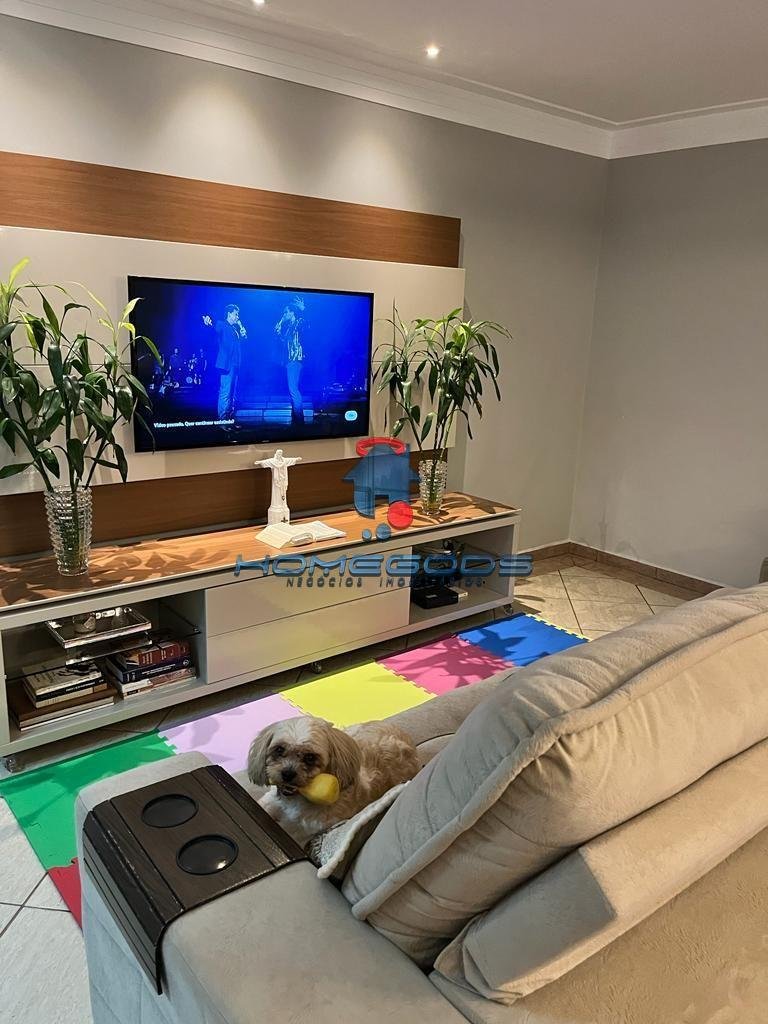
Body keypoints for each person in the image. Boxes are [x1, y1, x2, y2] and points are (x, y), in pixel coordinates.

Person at [203, 304, 247, 420]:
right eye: (236, 314)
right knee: (225, 393)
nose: (238, 317)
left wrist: (243, 334)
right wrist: (207, 323)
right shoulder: (221, 324)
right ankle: (223, 421)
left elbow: (238, 345)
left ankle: (230, 419)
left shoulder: (235, 329)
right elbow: (212, 328)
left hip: (235, 365)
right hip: (227, 364)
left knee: (232, 393)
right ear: (229, 314)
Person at [274, 295, 306, 425]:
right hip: (290, 361)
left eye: (286, 312)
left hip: (295, 359)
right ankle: (296, 421)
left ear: (292, 312)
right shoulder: (289, 327)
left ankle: (299, 422)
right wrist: (278, 332)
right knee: (293, 390)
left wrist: (302, 310)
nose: (284, 314)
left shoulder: (298, 322)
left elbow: (306, 323)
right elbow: (284, 342)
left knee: (293, 390)